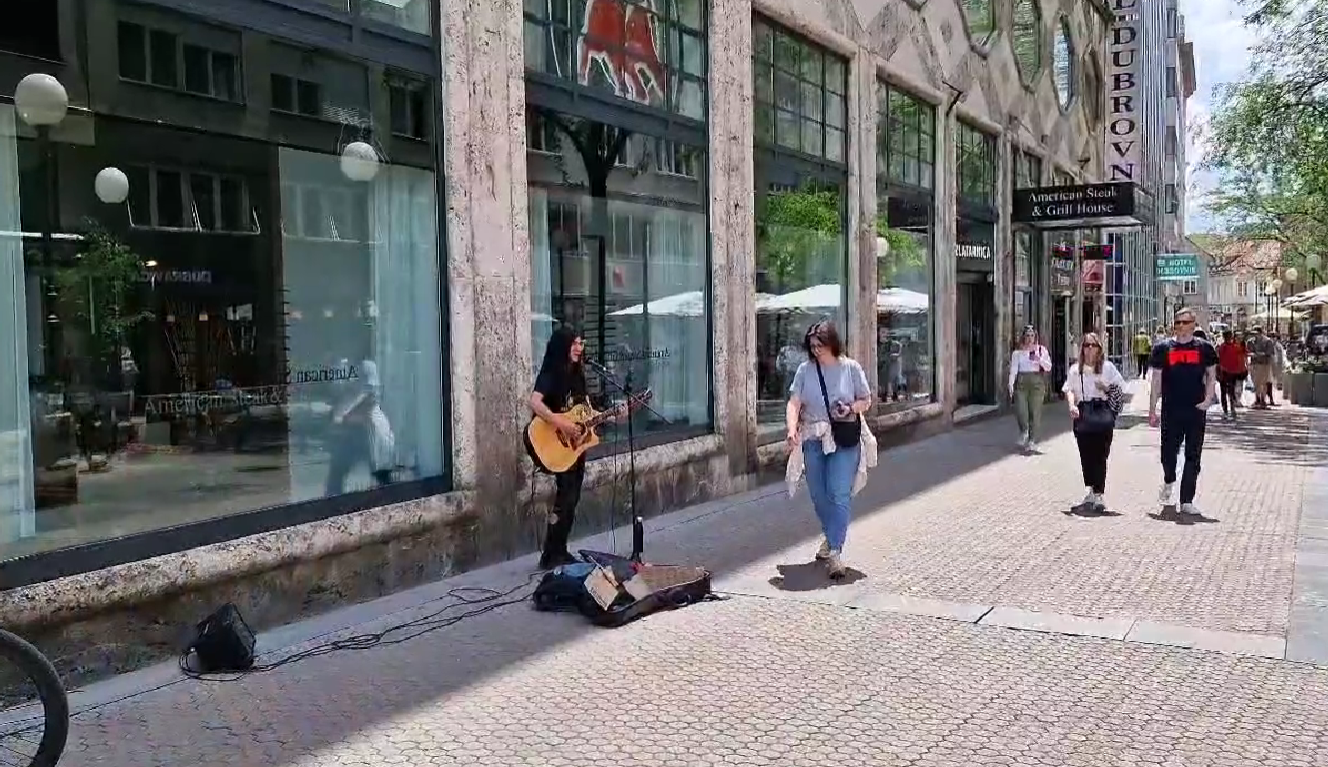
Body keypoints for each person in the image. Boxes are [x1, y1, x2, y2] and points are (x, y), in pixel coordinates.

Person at [529, 327, 624, 569]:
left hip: (575, 446)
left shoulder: (578, 375)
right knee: (566, 497)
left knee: (572, 498)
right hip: (555, 442)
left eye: (581, 343)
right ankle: (551, 553)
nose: (579, 348)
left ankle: (558, 550)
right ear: (563, 346)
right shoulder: (552, 372)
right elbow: (534, 402)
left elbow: (586, 411)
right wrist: (560, 422)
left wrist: (613, 416)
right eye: (574, 343)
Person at [785, 320, 873, 579]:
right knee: (818, 494)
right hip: (813, 437)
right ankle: (831, 535)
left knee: (838, 492)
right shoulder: (804, 370)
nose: (815, 351)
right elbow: (794, 403)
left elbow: (866, 400)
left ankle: (835, 551)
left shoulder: (851, 368)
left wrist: (850, 408)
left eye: (819, 346)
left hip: (843, 437)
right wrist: (792, 429)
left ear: (832, 344)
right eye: (811, 346)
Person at [1148, 307, 1218, 516]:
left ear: (1193, 325)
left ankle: (1187, 499)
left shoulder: (1205, 348)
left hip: (1195, 408)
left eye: (1185, 323)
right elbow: (1156, 380)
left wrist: (1207, 400)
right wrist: (1152, 409)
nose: (1180, 327)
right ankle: (1169, 479)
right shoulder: (1162, 349)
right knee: (1168, 453)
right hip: (1171, 408)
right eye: (1177, 323)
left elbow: (1211, 375)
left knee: (1193, 455)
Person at [1063, 333, 1125, 510]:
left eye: (1093, 345)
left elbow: (1121, 389)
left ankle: (1099, 493)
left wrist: (1105, 388)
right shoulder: (1076, 369)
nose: (1090, 349)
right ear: (1082, 349)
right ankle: (1091, 489)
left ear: (1099, 349)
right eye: (1087, 345)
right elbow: (1069, 390)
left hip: (1103, 411)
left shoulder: (1108, 368)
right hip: (1083, 411)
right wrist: (1071, 406)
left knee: (1101, 454)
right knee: (1086, 453)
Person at [1008, 325, 1052, 453]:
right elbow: (1014, 369)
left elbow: (1048, 367)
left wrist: (1039, 359)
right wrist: (1010, 384)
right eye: (1027, 335)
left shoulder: (1041, 350)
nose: (1030, 338)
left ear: (1036, 337)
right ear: (1023, 337)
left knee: (1035, 412)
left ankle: (1032, 440)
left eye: (1032, 335)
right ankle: (1024, 431)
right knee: (1021, 410)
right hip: (1021, 383)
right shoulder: (1017, 353)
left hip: (1037, 382)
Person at [1217, 329, 1248, 421]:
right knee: (1229, 392)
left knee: (1228, 392)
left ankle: (1229, 410)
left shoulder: (1226, 347)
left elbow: (1243, 353)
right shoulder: (1229, 347)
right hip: (1227, 372)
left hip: (1228, 372)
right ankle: (1229, 410)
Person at [1246, 326, 1277, 408]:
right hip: (1254, 364)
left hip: (1264, 364)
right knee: (1255, 382)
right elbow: (1247, 351)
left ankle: (1263, 399)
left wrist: (1257, 354)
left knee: (1263, 382)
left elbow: (1269, 353)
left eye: (1256, 333)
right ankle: (1257, 398)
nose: (1255, 335)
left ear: (1260, 332)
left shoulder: (1267, 341)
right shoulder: (1250, 341)